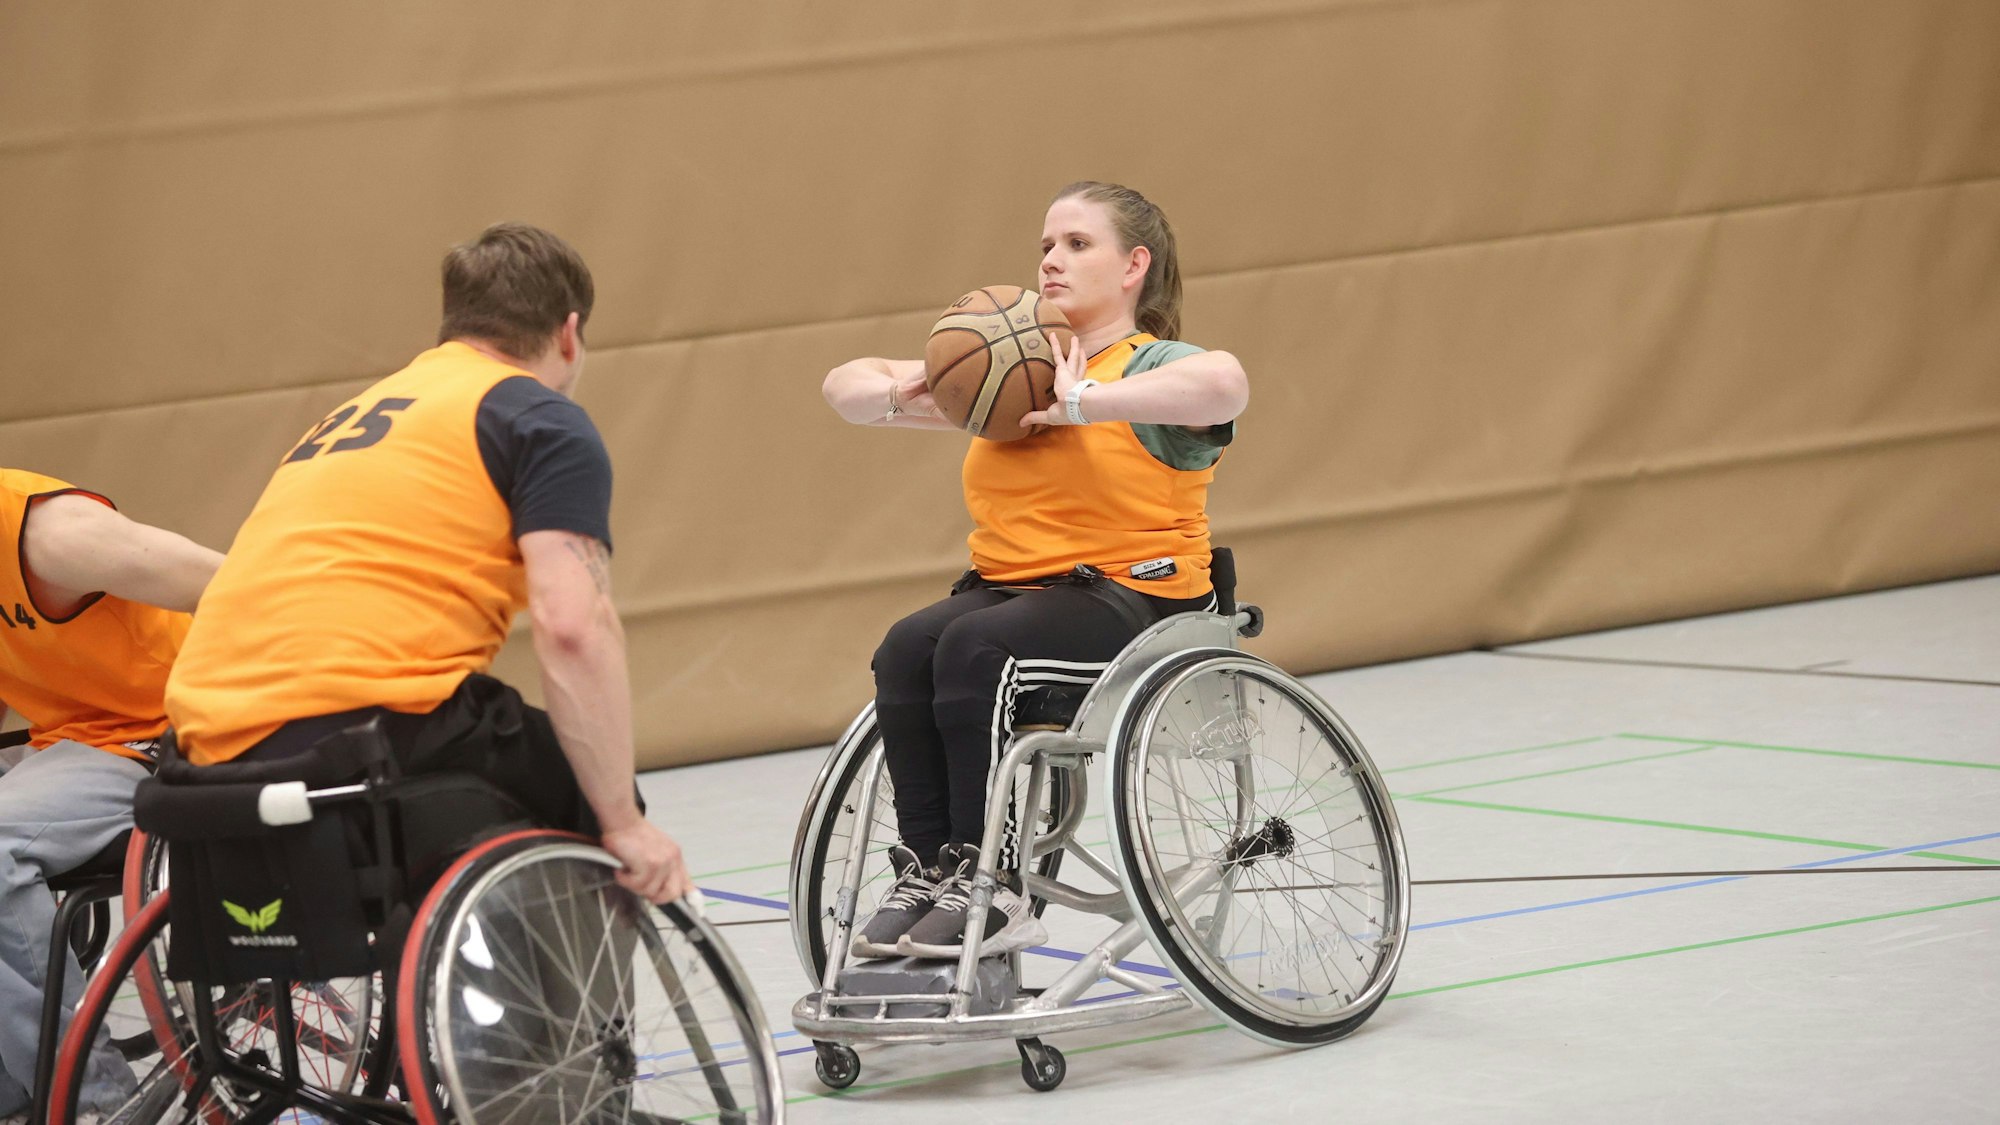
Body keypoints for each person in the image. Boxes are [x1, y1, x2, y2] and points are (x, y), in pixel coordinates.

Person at [166, 222, 690, 905]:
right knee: (591, 788)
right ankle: (587, 1016)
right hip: (354, 733)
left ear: (454, 325)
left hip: (200, 749)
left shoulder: (348, 417)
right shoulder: (538, 416)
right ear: (569, 333)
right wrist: (622, 821)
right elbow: (572, 626)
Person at [822, 181, 1249, 958]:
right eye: (1046, 245)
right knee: (906, 646)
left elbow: (1227, 384)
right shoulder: (1002, 360)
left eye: (1078, 244)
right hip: (1012, 593)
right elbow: (839, 385)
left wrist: (1087, 401)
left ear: (1134, 266)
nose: (1052, 259)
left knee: (975, 650)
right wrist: (900, 392)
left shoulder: (1152, 365)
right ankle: (932, 868)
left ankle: (999, 886)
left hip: (1135, 597)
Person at [0, 469, 223, 1122]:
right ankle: (18, 1080)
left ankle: (91, 1096)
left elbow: (235, 591)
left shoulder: (53, 535)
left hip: (163, 734)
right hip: (68, 743)